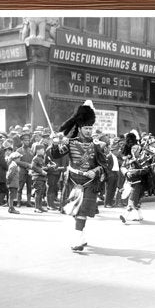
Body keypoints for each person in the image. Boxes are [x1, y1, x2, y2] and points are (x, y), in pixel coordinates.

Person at [57, 99, 109, 253]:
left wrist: (96, 171)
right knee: (75, 212)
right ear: (79, 128)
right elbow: (54, 154)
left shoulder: (97, 145)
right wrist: (55, 143)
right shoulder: (70, 143)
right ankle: (82, 235)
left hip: (89, 183)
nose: (88, 131)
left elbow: (104, 165)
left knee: (81, 212)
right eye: (86, 128)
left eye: (90, 128)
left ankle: (77, 239)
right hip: (73, 180)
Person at [119, 130, 147, 224]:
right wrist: (126, 172)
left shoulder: (143, 159)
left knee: (131, 201)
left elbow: (146, 170)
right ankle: (140, 216)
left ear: (139, 149)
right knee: (136, 202)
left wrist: (136, 171)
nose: (135, 150)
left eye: (136, 149)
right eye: (133, 149)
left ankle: (124, 216)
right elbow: (122, 167)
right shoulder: (128, 159)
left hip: (139, 183)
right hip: (129, 182)